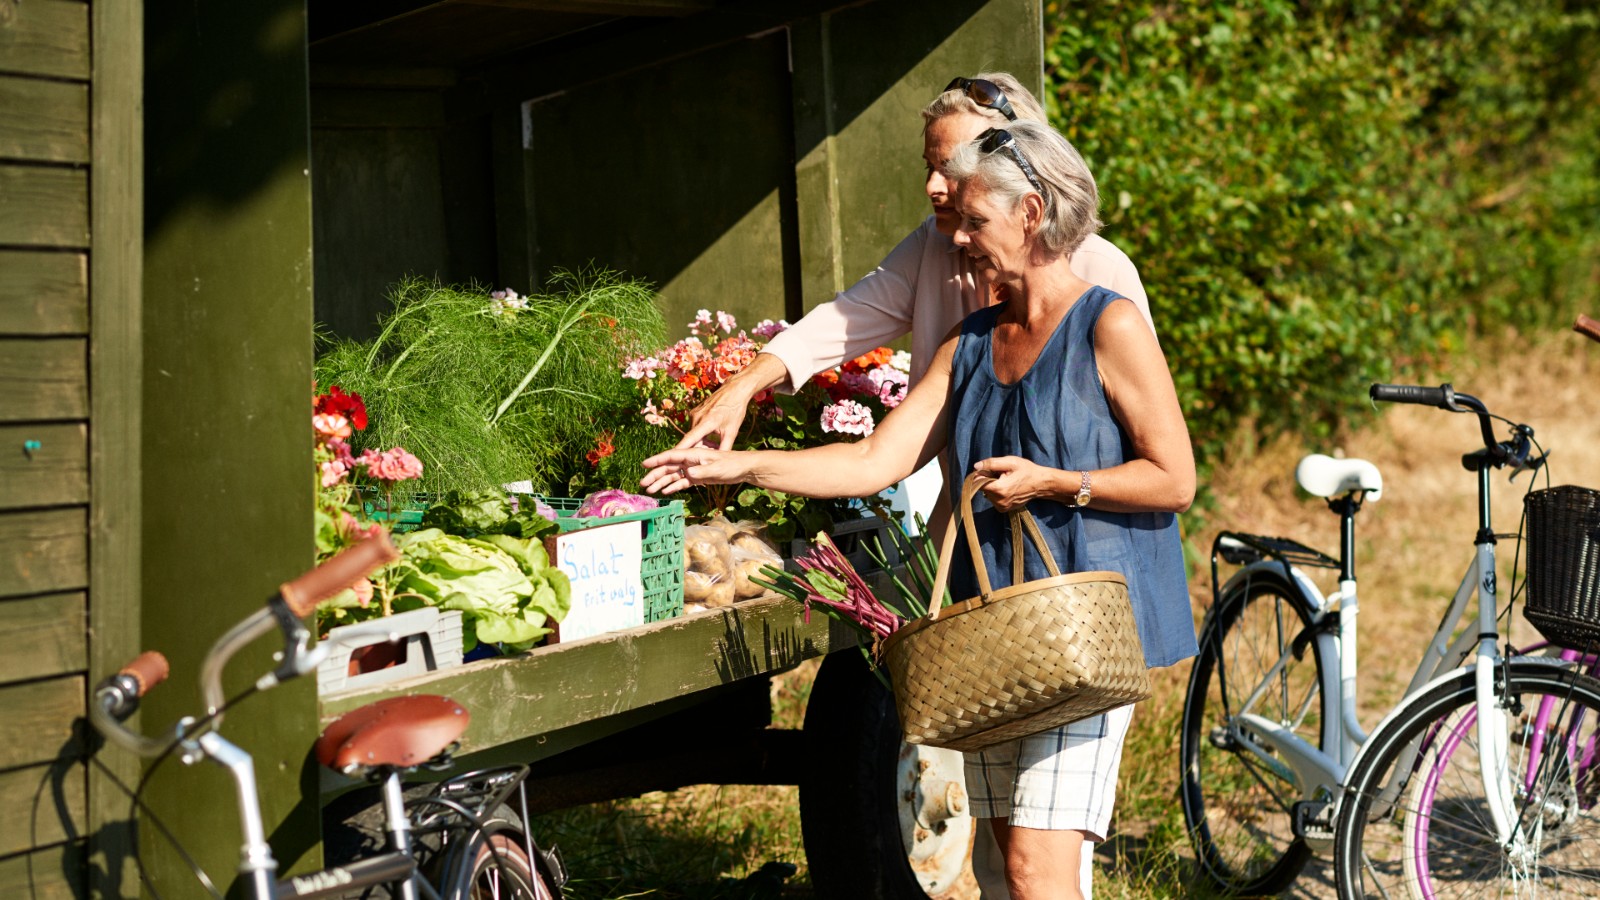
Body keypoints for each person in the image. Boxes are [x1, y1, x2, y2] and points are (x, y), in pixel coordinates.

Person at [641, 120, 1197, 900]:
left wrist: (1054, 481)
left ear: (1032, 215)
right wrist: (737, 463)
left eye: (976, 223)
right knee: (1008, 867)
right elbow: (876, 459)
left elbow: (1174, 479)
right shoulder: (969, 342)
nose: (959, 241)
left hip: (1084, 633)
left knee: (1037, 870)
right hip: (994, 636)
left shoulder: (1110, 324)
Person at [675, 73, 1155, 453]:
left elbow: (1157, 454)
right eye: (930, 165)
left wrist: (1072, 489)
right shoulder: (931, 246)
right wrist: (742, 387)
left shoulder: (1103, 274)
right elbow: (841, 324)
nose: (933, 186)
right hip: (964, 534)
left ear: (1016, 168)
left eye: (952, 169)